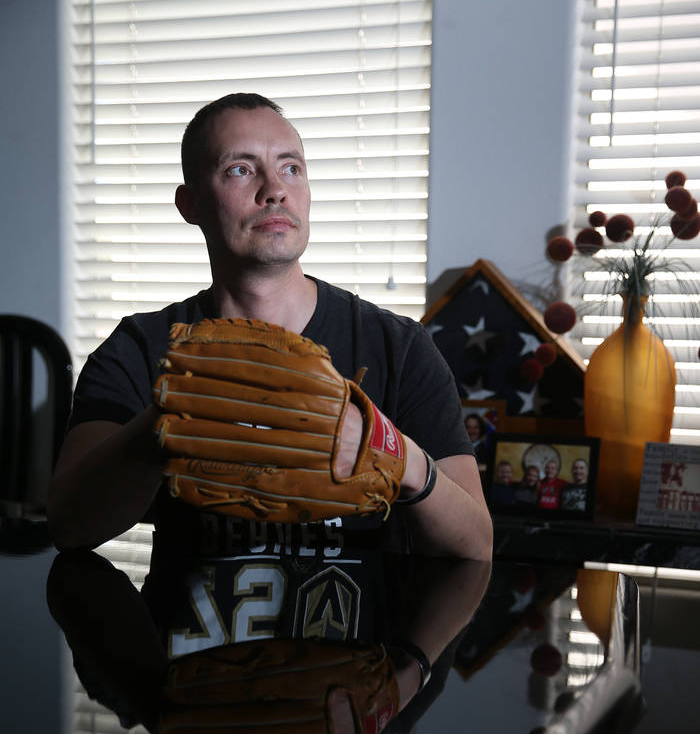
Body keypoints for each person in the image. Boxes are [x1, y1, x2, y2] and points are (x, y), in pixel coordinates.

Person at [47, 93, 492, 562]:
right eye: (240, 169)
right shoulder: (140, 348)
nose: (274, 189)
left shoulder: (397, 346)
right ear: (190, 204)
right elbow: (69, 526)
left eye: (290, 168)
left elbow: (476, 546)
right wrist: (165, 422)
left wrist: (396, 454)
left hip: (364, 632)